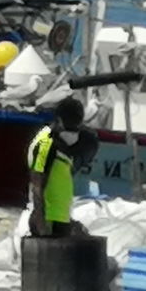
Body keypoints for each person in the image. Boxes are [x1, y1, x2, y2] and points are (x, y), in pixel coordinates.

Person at [27, 97, 85, 237]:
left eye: (76, 127)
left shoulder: (61, 144)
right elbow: (37, 182)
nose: (74, 132)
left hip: (61, 218)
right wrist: (41, 224)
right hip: (49, 220)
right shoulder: (45, 143)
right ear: (58, 121)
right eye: (70, 128)